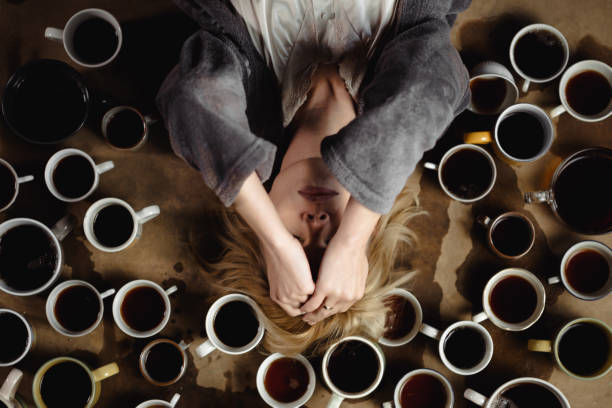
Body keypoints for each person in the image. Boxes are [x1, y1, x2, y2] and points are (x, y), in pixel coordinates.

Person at [157, 0, 470, 353]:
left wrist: (274, 242)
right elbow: (425, 93)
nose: (316, 221)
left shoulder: (242, 99)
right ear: (374, 225)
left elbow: (190, 98)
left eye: (296, 239)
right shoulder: (411, 107)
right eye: (330, 240)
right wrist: (351, 241)